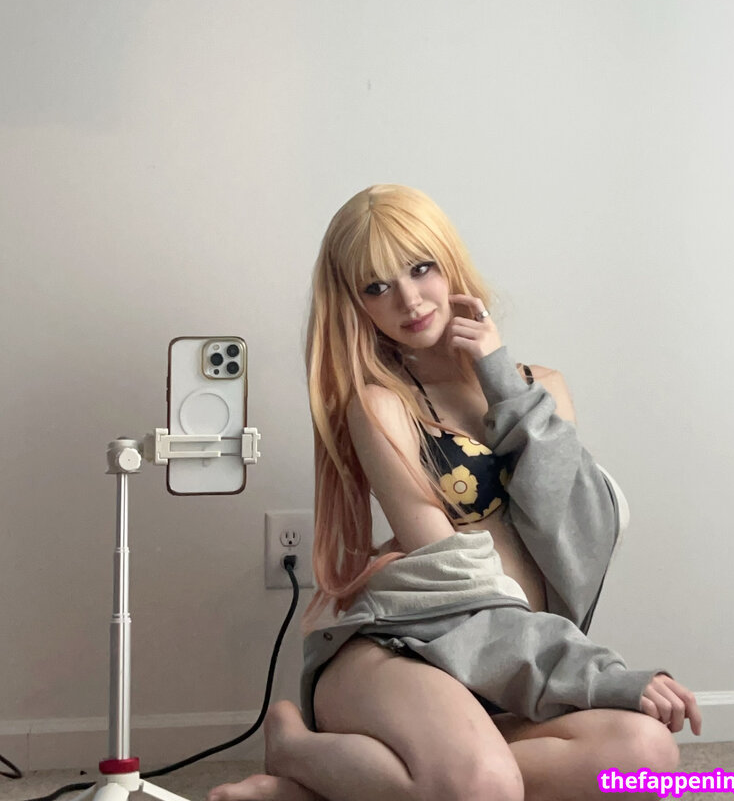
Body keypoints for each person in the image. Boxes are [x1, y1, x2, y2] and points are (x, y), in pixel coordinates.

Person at [209, 184, 701, 801]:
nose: (409, 300)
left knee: (647, 754)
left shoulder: (542, 387)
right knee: (484, 785)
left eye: (421, 268)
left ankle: (330, 783)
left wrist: (499, 377)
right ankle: (308, 751)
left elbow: (573, 536)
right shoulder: (380, 406)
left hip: (504, 663)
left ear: (450, 263)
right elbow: (457, 587)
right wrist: (596, 675)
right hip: (408, 645)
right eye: (376, 287)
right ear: (355, 305)